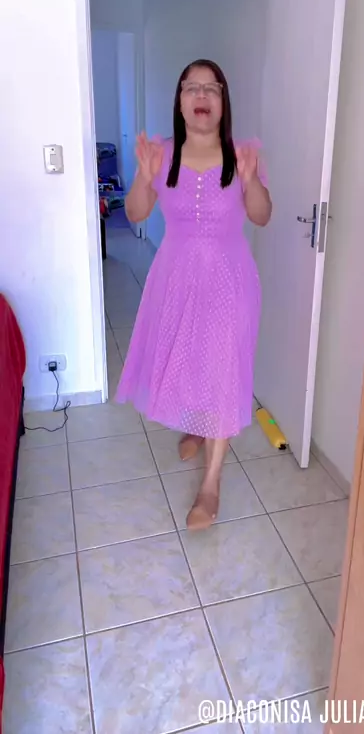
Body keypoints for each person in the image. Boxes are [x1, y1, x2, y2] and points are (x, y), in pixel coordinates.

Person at [116, 59, 272, 530]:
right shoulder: (161, 155)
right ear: (180, 102)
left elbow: (262, 215)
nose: (201, 95)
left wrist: (250, 181)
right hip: (176, 279)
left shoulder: (241, 155)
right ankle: (197, 428)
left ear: (223, 103)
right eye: (191, 87)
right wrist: (143, 177)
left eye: (212, 88)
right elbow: (135, 213)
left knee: (223, 366)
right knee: (189, 358)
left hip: (230, 280)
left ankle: (211, 483)